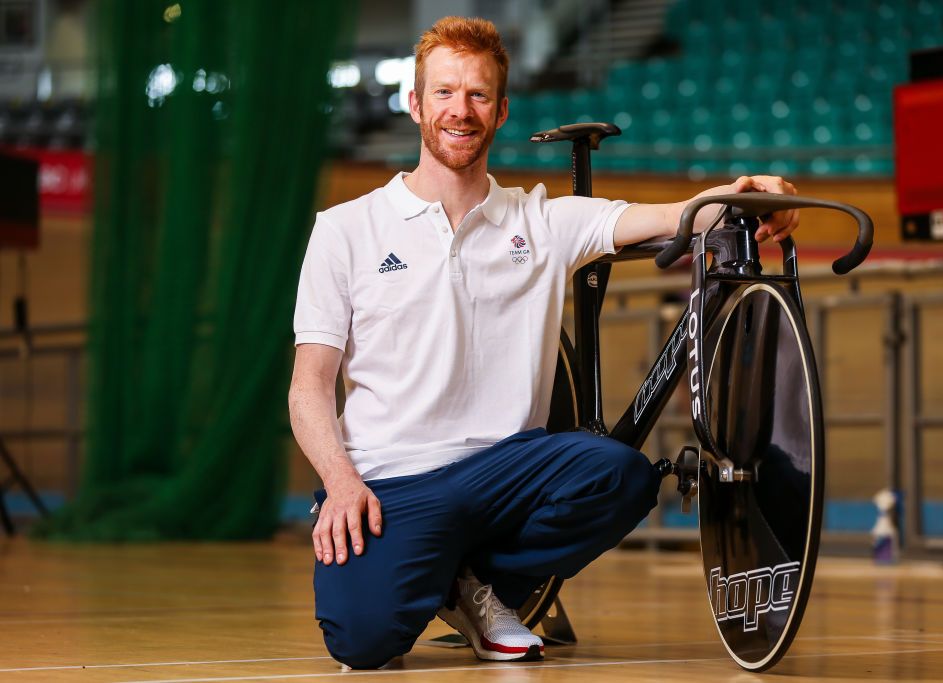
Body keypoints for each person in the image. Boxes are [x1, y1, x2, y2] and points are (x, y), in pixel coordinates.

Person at [289, 16, 799, 671]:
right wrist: (338, 482)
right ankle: (454, 581)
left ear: (501, 111)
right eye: (443, 93)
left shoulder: (543, 220)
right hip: (393, 481)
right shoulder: (344, 229)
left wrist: (747, 192)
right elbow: (309, 385)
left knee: (621, 476)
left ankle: (483, 588)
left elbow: (672, 216)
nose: (460, 111)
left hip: (507, 474)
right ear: (415, 104)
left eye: (477, 95)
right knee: (360, 642)